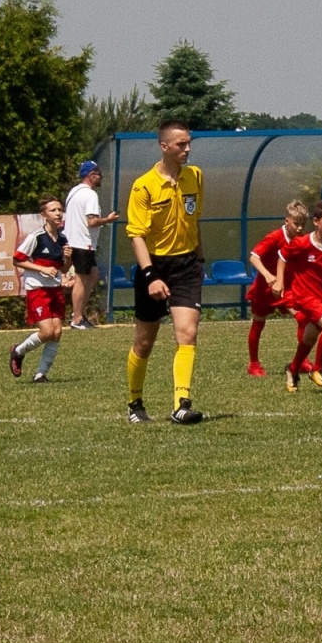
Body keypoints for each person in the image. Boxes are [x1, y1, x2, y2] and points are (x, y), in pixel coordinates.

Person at [125, 121, 206, 425]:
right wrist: (150, 277)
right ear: (164, 147)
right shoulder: (143, 185)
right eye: (181, 144)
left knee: (187, 333)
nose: (187, 149)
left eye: (189, 143)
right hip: (154, 267)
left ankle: (181, 404)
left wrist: (200, 258)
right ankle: (134, 403)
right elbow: (136, 235)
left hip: (185, 266)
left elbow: (194, 219)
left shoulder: (195, 177)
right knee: (145, 341)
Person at [275, 199, 322, 391]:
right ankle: (318, 369)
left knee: (309, 339)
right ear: (316, 221)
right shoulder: (301, 243)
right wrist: (279, 281)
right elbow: (282, 257)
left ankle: (292, 369)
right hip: (304, 296)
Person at [8, 197, 73, 383]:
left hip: (54, 289)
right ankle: (18, 351)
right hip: (37, 288)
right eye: (53, 210)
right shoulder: (36, 237)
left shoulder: (62, 239)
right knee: (46, 332)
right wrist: (42, 269)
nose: (58, 213)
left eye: (60, 209)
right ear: (43, 215)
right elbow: (17, 259)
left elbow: (63, 269)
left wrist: (68, 259)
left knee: (57, 332)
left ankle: (40, 374)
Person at [245, 200, 308, 377]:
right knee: (258, 323)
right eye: (296, 224)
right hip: (265, 289)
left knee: (303, 318)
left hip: (286, 289)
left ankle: (301, 361)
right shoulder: (274, 237)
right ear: (287, 220)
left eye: (303, 224)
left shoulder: (302, 240)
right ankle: (254, 364)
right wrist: (267, 275)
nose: (300, 228)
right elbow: (254, 257)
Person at [64, 161, 121, 329]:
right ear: (90, 175)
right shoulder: (90, 195)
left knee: (93, 275)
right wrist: (108, 220)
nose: (100, 177)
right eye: (98, 174)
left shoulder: (73, 192)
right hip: (82, 243)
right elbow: (92, 221)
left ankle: (80, 314)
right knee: (81, 280)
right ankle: (77, 318)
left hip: (76, 241)